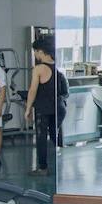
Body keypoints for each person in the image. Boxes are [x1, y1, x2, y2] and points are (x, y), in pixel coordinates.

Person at [23, 36, 60, 176]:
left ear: (40, 51)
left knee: (41, 137)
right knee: (55, 135)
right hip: (55, 107)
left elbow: (33, 90)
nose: (35, 55)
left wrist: (28, 108)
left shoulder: (39, 68)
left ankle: (43, 167)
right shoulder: (57, 66)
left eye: (35, 52)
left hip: (43, 108)